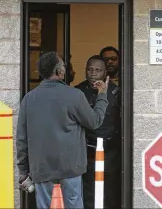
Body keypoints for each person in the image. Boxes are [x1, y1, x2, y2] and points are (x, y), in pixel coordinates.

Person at [16, 51, 110, 209]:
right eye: (64, 66)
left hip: (41, 168)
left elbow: (22, 139)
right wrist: (102, 95)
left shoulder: (29, 99)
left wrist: (23, 171)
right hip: (70, 167)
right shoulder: (74, 95)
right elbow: (94, 122)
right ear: (59, 71)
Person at [75, 55, 121, 209]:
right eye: (90, 69)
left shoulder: (115, 92)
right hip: (86, 150)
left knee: (109, 192)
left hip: (110, 151)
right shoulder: (77, 92)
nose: (93, 73)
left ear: (105, 72)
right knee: (88, 192)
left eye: (98, 70)